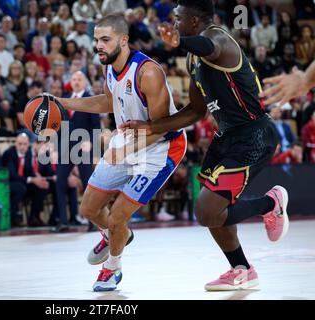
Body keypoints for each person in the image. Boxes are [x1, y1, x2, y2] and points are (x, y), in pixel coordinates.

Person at [119, 0, 288, 291]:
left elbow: (210, 47)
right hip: (227, 136)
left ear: (194, 21)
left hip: (254, 134)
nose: (173, 23)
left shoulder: (219, 39)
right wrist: (152, 126)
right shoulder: (192, 59)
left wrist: (180, 42)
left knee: (207, 211)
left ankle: (270, 203)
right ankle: (242, 269)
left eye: (177, 18)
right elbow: (196, 112)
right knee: (214, 209)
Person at [53, 14, 187, 291]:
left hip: (160, 147)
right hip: (127, 139)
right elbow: (108, 101)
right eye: (96, 41)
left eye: (105, 40)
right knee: (89, 207)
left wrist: (126, 148)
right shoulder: (109, 67)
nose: (98, 46)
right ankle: (116, 236)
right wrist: (64, 102)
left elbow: (161, 128)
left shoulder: (148, 73)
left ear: (123, 40)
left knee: (117, 217)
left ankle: (112, 268)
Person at [52, 71, 101, 233]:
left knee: (89, 185)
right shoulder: (65, 98)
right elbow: (57, 125)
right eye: (73, 79)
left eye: (79, 79)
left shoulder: (89, 99)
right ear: (70, 82)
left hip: (83, 148)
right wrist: (54, 147)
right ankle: (64, 222)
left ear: (85, 82)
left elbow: (96, 126)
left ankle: (93, 221)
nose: (76, 81)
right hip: (65, 149)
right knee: (60, 183)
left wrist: (90, 143)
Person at [2, 133, 53, 227]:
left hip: (24, 182)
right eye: (20, 144)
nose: (22, 147)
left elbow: (29, 171)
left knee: (42, 186)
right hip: (9, 182)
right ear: (15, 144)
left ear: (28, 145)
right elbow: (12, 175)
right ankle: (12, 217)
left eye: (25, 144)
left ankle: (34, 217)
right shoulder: (9, 154)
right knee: (20, 188)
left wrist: (38, 179)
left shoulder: (28, 154)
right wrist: (32, 179)